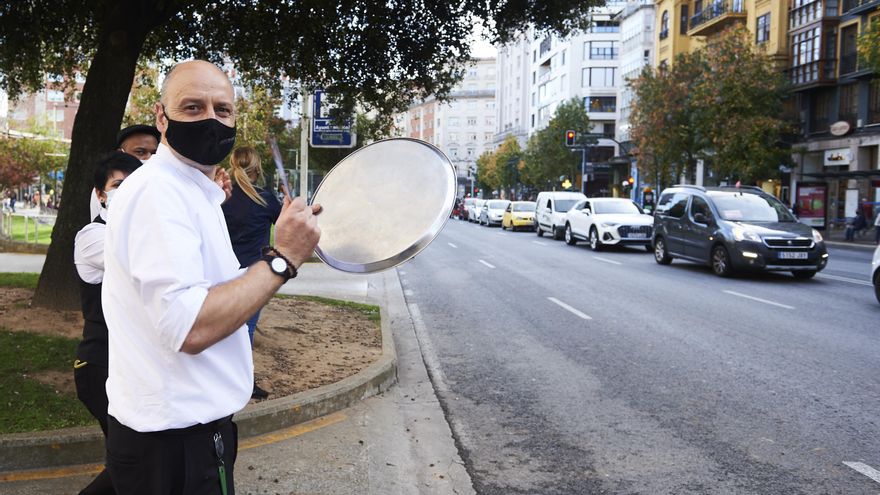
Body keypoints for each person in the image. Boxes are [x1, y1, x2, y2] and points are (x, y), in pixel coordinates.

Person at [102, 60, 321, 495]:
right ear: (162, 117)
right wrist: (283, 260)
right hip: (176, 446)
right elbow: (192, 325)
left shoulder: (192, 190)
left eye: (223, 110)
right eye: (192, 106)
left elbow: (212, 292)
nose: (210, 119)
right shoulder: (159, 194)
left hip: (180, 438)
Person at [73, 151, 143, 495]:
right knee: (133, 462)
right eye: (118, 185)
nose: (127, 191)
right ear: (101, 194)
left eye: (134, 184)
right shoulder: (91, 237)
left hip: (128, 367)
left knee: (132, 462)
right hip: (99, 365)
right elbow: (137, 255)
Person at [221, 146, 282, 400]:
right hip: (253, 275)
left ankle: (223, 380)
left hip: (222, 271)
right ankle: (242, 384)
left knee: (222, 329)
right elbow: (286, 224)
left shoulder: (222, 197)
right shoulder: (266, 198)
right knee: (245, 330)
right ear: (257, 169)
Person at [91, 125, 161, 219]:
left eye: (154, 153)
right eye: (140, 152)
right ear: (121, 152)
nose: (149, 158)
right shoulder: (107, 189)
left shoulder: (160, 183)